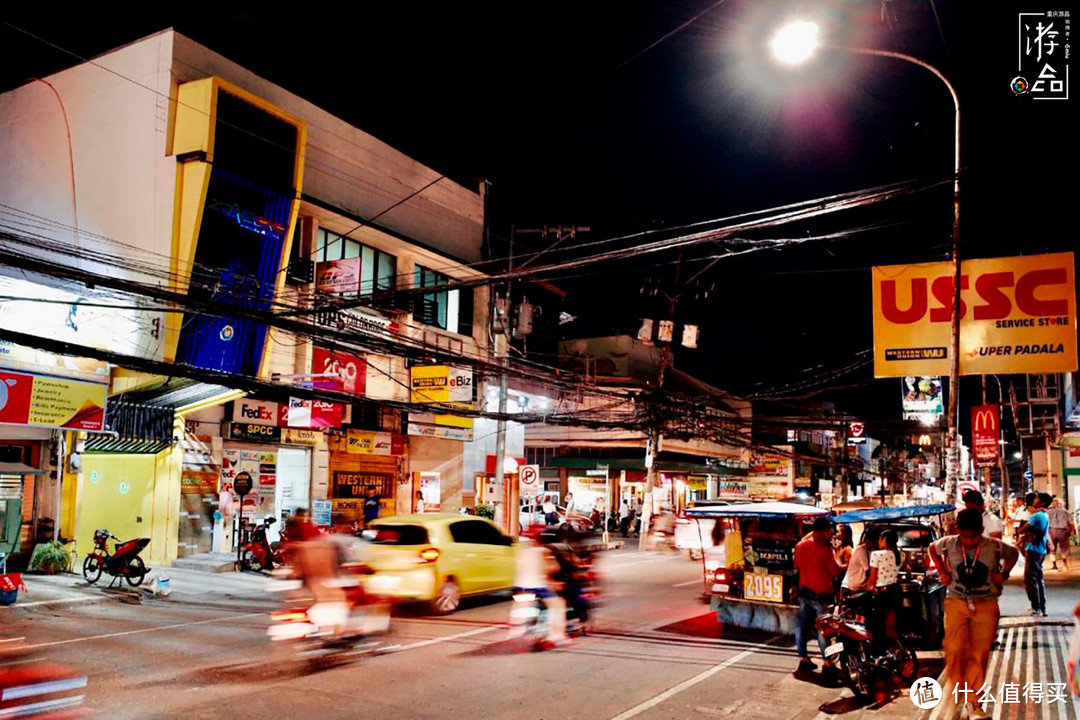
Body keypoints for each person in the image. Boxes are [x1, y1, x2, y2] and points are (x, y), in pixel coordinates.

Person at [929, 508, 1019, 719]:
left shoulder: (994, 546)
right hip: (956, 602)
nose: (969, 541)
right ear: (957, 530)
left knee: (979, 655)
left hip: (986, 603)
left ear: (981, 530)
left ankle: (973, 703)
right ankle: (956, 689)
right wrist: (942, 571)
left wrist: (1003, 573)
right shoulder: (948, 543)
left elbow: (1014, 553)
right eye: (964, 535)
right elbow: (932, 549)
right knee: (953, 648)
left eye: (973, 536)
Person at [793, 517, 843, 677]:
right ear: (822, 531)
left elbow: (798, 566)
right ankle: (828, 663)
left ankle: (804, 659)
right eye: (828, 531)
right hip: (822, 593)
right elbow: (835, 571)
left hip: (804, 590)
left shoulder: (800, 546)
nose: (830, 534)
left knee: (801, 625)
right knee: (823, 629)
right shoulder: (824, 550)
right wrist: (845, 565)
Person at [514, 525, 567, 648]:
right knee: (558, 605)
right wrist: (554, 582)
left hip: (520, 586)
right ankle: (557, 636)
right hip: (538, 586)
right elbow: (552, 568)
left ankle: (517, 628)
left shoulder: (523, 550)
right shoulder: (544, 551)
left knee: (519, 605)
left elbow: (518, 566)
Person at [1018, 492, 1051, 616]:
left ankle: (1035, 607)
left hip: (1033, 549)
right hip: (1041, 550)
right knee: (1038, 578)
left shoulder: (1036, 516)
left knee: (1029, 579)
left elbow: (1022, 529)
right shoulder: (1044, 515)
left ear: (1042, 502)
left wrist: (1021, 529)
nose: (1034, 500)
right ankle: (1042, 607)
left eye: (1037, 498)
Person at [868, 530, 902, 642]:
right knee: (890, 624)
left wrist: (869, 588)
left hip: (881, 592)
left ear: (885, 540)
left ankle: (881, 648)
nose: (878, 542)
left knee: (879, 624)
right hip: (895, 590)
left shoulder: (876, 554)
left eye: (880, 539)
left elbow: (872, 579)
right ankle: (896, 647)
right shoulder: (901, 554)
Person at [841, 526, 881, 596]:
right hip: (851, 589)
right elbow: (869, 572)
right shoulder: (860, 550)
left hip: (860, 588)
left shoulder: (872, 551)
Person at [1047, 497, 1074, 571]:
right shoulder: (1065, 512)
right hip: (1063, 531)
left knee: (1052, 548)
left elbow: (1046, 523)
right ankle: (1065, 564)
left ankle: (1054, 566)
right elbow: (1071, 524)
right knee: (1064, 548)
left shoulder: (1048, 512)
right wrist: (1070, 532)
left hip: (1051, 530)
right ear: (1060, 504)